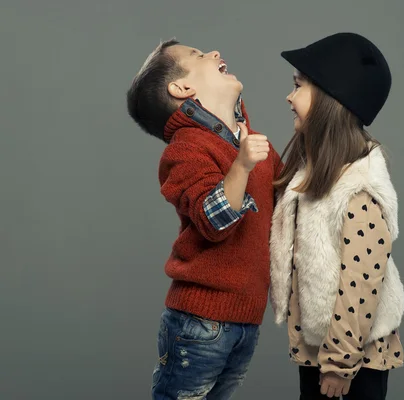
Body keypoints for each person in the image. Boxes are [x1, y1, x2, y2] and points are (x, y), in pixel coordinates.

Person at [126, 38, 282, 400]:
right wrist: (242, 165)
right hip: (199, 321)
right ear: (182, 88)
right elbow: (214, 220)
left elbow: (287, 196)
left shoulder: (250, 139)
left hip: (246, 320)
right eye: (198, 56)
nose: (214, 52)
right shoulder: (186, 149)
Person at [269, 33, 404, 399]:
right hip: (320, 353)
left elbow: (361, 284)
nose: (289, 97)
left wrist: (341, 363)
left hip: (351, 359)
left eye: (297, 86)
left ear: (331, 101)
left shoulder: (358, 192)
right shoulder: (310, 176)